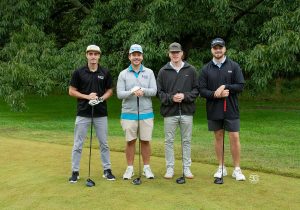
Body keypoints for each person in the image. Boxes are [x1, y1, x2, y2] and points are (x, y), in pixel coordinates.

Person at [198, 38, 246, 181]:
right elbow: (201, 90)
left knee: (234, 136)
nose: (218, 50)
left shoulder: (234, 66)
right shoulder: (206, 69)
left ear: (225, 49)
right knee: (218, 136)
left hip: (231, 108)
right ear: (211, 50)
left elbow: (240, 85)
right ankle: (221, 166)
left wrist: (226, 87)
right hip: (214, 108)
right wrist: (215, 94)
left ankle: (237, 169)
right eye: (215, 48)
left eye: (220, 47)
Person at [68, 44, 115, 183]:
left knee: (104, 143)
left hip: (100, 113)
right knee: (78, 143)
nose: (93, 57)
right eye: (91, 54)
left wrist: (100, 99)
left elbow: (110, 91)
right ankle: (75, 171)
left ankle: (107, 170)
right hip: (83, 112)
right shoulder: (79, 72)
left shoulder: (104, 72)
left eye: (96, 54)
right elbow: (71, 91)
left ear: (99, 56)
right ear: (86, 55)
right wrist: (87, 97)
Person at [157, 42, 199, 179]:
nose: (175, 55)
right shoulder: (163, 71)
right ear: (169, 54)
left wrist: (185, 96)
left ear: (182, 54)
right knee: (169, 141)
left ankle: (186, 168)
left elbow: (196, 90)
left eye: (177, 52)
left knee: (186, 140)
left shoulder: (190, 70)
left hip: (186, 111)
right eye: (172, 53)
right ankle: (170, 168)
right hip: (170, 112)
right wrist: (171, 98)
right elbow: (159, 92)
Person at [117, 44, 157, 180]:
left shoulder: (149, 72)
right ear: (129, 57)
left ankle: (146, 168)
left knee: (145, 141)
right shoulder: (123, 74)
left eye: (138, 55)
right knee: (130, 141)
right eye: (133, 55)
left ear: (142, 57)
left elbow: (154, 91)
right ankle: (130, 168)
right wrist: (132, 91)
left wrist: (142, 90)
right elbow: (119, 94)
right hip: (128, 113)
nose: (136, 57)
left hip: (146, 112)